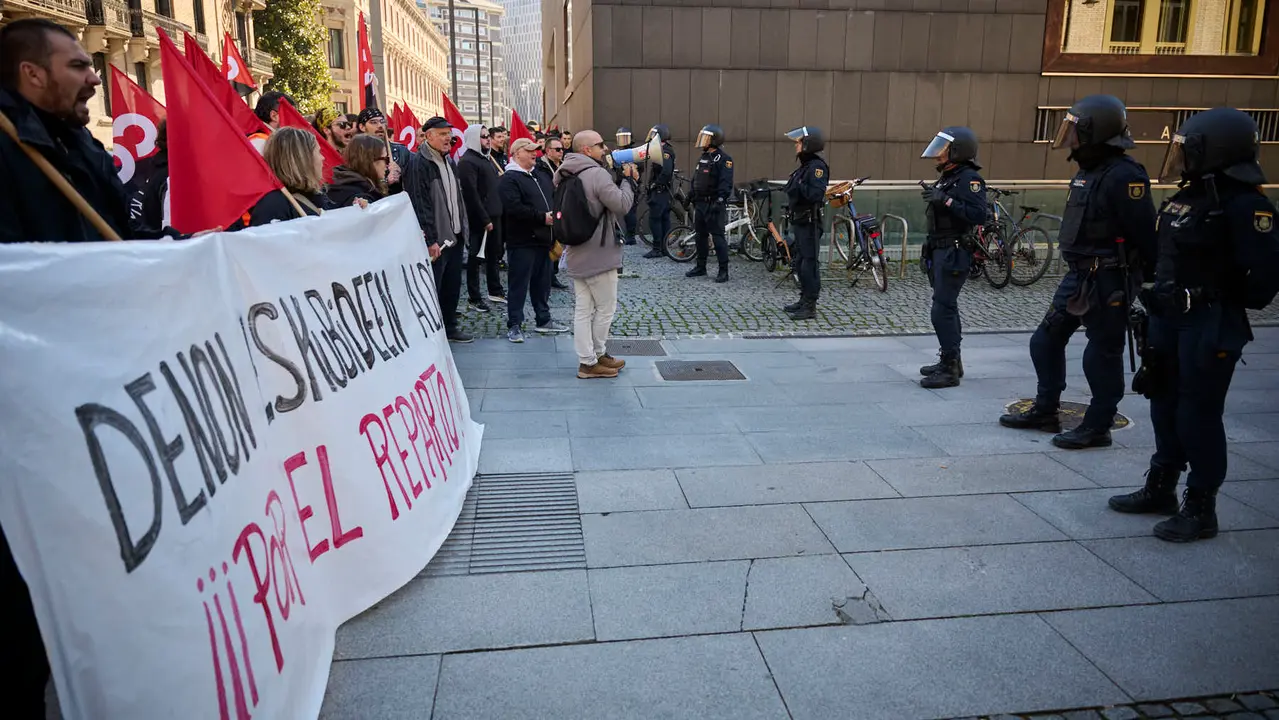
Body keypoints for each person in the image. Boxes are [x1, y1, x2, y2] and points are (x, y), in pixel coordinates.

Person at [0, 19, 196, 717]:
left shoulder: (74, 139)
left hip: (94, 375)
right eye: (80, 65)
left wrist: (190, 251)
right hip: (30, 392)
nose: (94, 77)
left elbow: (116, 239)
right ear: (31, 75)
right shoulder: (11, 147)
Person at [1107, 108, 1279, 543]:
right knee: (1163, 403)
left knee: (1197, 414)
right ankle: (1161, 487)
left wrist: (1219, 300)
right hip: (1168, 319)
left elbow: (1265, 275)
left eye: (1189, 150)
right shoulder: (1190, 197)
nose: (1180, 158)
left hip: (1207, 323)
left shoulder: (1246, 204)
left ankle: (1201, 506)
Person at [999, 95, 1157, 447]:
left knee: (1101, 352)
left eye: (1076, 131)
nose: (1070, 140)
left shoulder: (1125, 175)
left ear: (1094, 132)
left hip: (1109, 276)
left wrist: (1144, 281)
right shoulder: (1090, 172)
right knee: (1045, 340)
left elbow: (1145, 234)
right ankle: (1045, 408)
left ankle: (1098, 425)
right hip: (1079, 275)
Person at [557, 130, 636, 378]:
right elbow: (621, 204)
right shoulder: (596, 174)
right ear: (586, 150)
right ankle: (592, 360)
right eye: (599, 145)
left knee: (583, 309)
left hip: (577, 250)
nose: (605, 149)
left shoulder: (563, 173)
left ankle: (591, 358)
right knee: (605, 308)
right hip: (599, 253)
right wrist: (628, 181)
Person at [917, 126, 988, 388]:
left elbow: (979, 215)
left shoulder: (969, 179)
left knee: (941, 310)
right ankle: (952, 361)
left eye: (943, 150)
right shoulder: (950, 177)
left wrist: (944, 201)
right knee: (946, 307)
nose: (937, 155)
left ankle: (948, 369)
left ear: (957, 151)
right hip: (940, 249)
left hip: (954, 251)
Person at [406, 116, 472, 343]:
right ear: (428, 136)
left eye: (449, 133)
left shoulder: (449, 160)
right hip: (438, 241)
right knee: (435, 287)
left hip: (455, 236)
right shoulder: (419, 163)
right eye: (442, 134)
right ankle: (433, 333)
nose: (448, 138)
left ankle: (450, 327)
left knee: (452, 287)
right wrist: (430, 239)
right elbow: (420, 203)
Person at [500, 137, 566, 341]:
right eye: (529, 151)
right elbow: (513, 208)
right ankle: (515, 324)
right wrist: (541, 218)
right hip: (522, 240)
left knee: (542, 283)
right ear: (516, 153)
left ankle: (543, 319)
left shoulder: (539, 175)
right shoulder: (509, 178)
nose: (534, 154)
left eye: (536, 151)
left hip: (544, 240)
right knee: (518, 284)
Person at [782, 126, 830, 321]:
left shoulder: (817, 167)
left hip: (810, 222)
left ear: (808, 145)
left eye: (799, 142)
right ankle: (803, 299)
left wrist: (798, 188)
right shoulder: (805, 166)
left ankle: (811, 305)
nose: (796, 146)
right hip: (801, 220)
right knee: (800, 263)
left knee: (809, 265)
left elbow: (815, 194)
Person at [456, 124, 506, 311]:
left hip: (495, 214)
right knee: (475, 258)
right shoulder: (467, 162)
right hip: (481, 219)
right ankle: (474, 296)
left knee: (494, 255)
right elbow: (472, 195)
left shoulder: (486, 159)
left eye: (487, 136)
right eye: (483, 136)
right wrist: (485, 219)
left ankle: (495, 290)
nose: (487, 139)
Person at [249, 126, 335, 225]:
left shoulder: (316, 194)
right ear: (303, 159)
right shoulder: (273, 206)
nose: (323, 158)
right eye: (318, 152)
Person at [687, 123, 733, 283]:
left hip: (714, 204)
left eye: (706, 138)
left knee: (718, 237)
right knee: (700, 237)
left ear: (714, 140)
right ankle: (701, 267)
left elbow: (726, 183)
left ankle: (723, 271)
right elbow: (697, 179)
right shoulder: (704, 157)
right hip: (700, 204)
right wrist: (690, 195)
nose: (703, 141)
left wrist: (720, 200)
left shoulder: (724, 159)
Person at [537, 135, 570, 289]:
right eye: (557, 149)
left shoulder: (564, 166)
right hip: (548, 209)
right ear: (548, 151)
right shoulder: (540, 167)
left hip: (562, 208)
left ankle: (553, 274)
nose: (561, 152)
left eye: (562, 149)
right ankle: (546, 275)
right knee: (549, 243)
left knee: (558, 242)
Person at [356, 107, 409, 194]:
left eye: (382, 121)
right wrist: (385, 182)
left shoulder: (401, 151)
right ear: (362, 127)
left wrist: (402, 175)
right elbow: (358, 187)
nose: (380, 125)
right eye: (373, 122)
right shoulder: (356, 153)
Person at [327, 134, 389, 207]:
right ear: (370, 160)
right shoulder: (360, 197)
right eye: (385, 159)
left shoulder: (342, 182)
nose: (388, 164)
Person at [643, 124, 675, 260]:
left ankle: (658, 248)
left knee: (656, 219)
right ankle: (664, 247)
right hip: (663, 191)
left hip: (660, 191)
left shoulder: (665, 151)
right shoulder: (662, 149)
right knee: (663, 219)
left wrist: (655, 184)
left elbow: (666, 172)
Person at [616, 126, 641, 245]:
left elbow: (640, 167)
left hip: (632, 184)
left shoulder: (635, 152)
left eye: (625, 138)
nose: (623, 141)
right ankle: (625, 233)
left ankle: (631, 236)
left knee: (630, 211)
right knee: (625, 211)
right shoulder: (619, 152)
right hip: (621, 183)